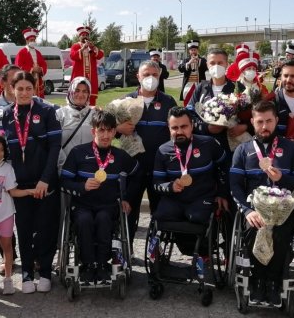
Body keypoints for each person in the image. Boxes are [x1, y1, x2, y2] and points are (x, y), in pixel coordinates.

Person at [230, 100, 294, 306]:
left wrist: (282, 177)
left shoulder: (290, 148)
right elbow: (235, 185)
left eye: (269, 121)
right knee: (253, 228)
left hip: (284, 208)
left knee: (281, 231)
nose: (264, 127)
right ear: (253, 123)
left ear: (276, 121)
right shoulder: (243, 150)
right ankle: (257, 279)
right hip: (255, 208)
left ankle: (274, 281)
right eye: (259, 122)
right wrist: (247, 210)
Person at [0, 71, 62, 293]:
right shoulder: (6, 115)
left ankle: (44, 271)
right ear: (12, 90)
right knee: (24, 229)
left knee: (45, 228)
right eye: (20, 89)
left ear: (35, 89)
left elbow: (55, 147)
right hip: (20, 186)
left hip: (44, 183)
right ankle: (26, 273)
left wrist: (45, 179)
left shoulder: (47, 111)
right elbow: (3, 152)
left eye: (28, 88)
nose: (24, 93)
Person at [61, 109, 139, 284]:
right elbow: (64, 182)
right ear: (93, 131)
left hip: (108, 206)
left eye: (109, 130)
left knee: (104, 219)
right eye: (101, 130)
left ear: (114, 132)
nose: (105, 135)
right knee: (84, 221)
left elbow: (137, 176)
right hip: (82, 205)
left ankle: (103, 265)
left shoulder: (120, 156)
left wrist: (127, 198)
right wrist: (82, 186)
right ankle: (88, 265)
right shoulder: (78, 153)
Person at [117, 61, 176, 246]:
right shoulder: (126, 101)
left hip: (159, 169)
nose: (150, 78)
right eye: (146, 74)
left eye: (154, 75)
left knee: (159, 212)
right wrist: (119, 127)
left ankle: (155, 251)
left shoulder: (168, 102)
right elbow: (112, 132)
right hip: (133, 168)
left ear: (159, 77)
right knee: (128, 211)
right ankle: (126, 251)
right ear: (138, 77)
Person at [0, 132, 36, 296]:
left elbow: (13, 191)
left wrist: (29, 191)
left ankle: (8, 279)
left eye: (1, 150)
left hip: (6, 214)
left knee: (7, 245)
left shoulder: (7, 168)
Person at [152, 106, 229, 226]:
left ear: (192, 126)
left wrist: (222, 194)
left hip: (202, 198)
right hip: (174, 200)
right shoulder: (162, 151)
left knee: (197, 217)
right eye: (174, 128)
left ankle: (197, 245)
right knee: (160, 218)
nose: (179, 132)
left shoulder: (208, 143)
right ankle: (184, 244)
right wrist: (170, 186)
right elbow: (157, 183)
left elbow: (226, 167)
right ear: (169, 128)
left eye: (184, 126)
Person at [187, 48, 248, 159]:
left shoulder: (238, 87)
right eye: (212, 63)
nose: (216, 66)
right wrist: (206, 127)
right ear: (207, 65)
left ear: (227, 64)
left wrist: (245, 126)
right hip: (204, 145)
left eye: (220, 63)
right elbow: (190, 113)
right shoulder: (201, 88)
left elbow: (251, 113)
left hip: (231, 145)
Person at [56, 77, 94, 170]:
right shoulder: (60, 114)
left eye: (85, 91)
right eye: (77, 90)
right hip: (65, 166)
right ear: (70, 91)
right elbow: (55, 144)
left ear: (89, 94)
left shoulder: (95, 114)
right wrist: (64, 164)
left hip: (89, 166)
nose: (80, 94)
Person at [70, 25, 104, 106]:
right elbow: (72, 56)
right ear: (79, 36)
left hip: (91, 78)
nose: (85, 36)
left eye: (86, 35)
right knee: (78, 97)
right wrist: (82, 49)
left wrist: (93, 48)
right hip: (79, 77)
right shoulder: (75, 46)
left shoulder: (91, 47)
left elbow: (100, 55)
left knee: (91, 99)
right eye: (83, 35)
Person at [15, 27, 48, 99]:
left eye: (34, 40)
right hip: (27, 81)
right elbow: (18, 67)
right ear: (27, 41)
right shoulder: (21, 52)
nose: (33, 41)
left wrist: (40, 69)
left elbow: (44, 64)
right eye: (31, 40)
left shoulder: (38, 52)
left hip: (38, 82)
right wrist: (32, 69)